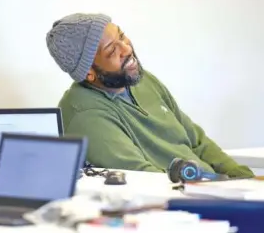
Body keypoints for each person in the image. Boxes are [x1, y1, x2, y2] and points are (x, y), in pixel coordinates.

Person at [46, 13, 254, 178]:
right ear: (89, 73)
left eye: (121, 36)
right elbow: (143, 179)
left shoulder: (142, 81)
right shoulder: (85, 114)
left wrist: (243, 179)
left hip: (215, 189)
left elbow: (197, 141)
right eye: (111, 51)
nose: (126, 49)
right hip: (187, 204)